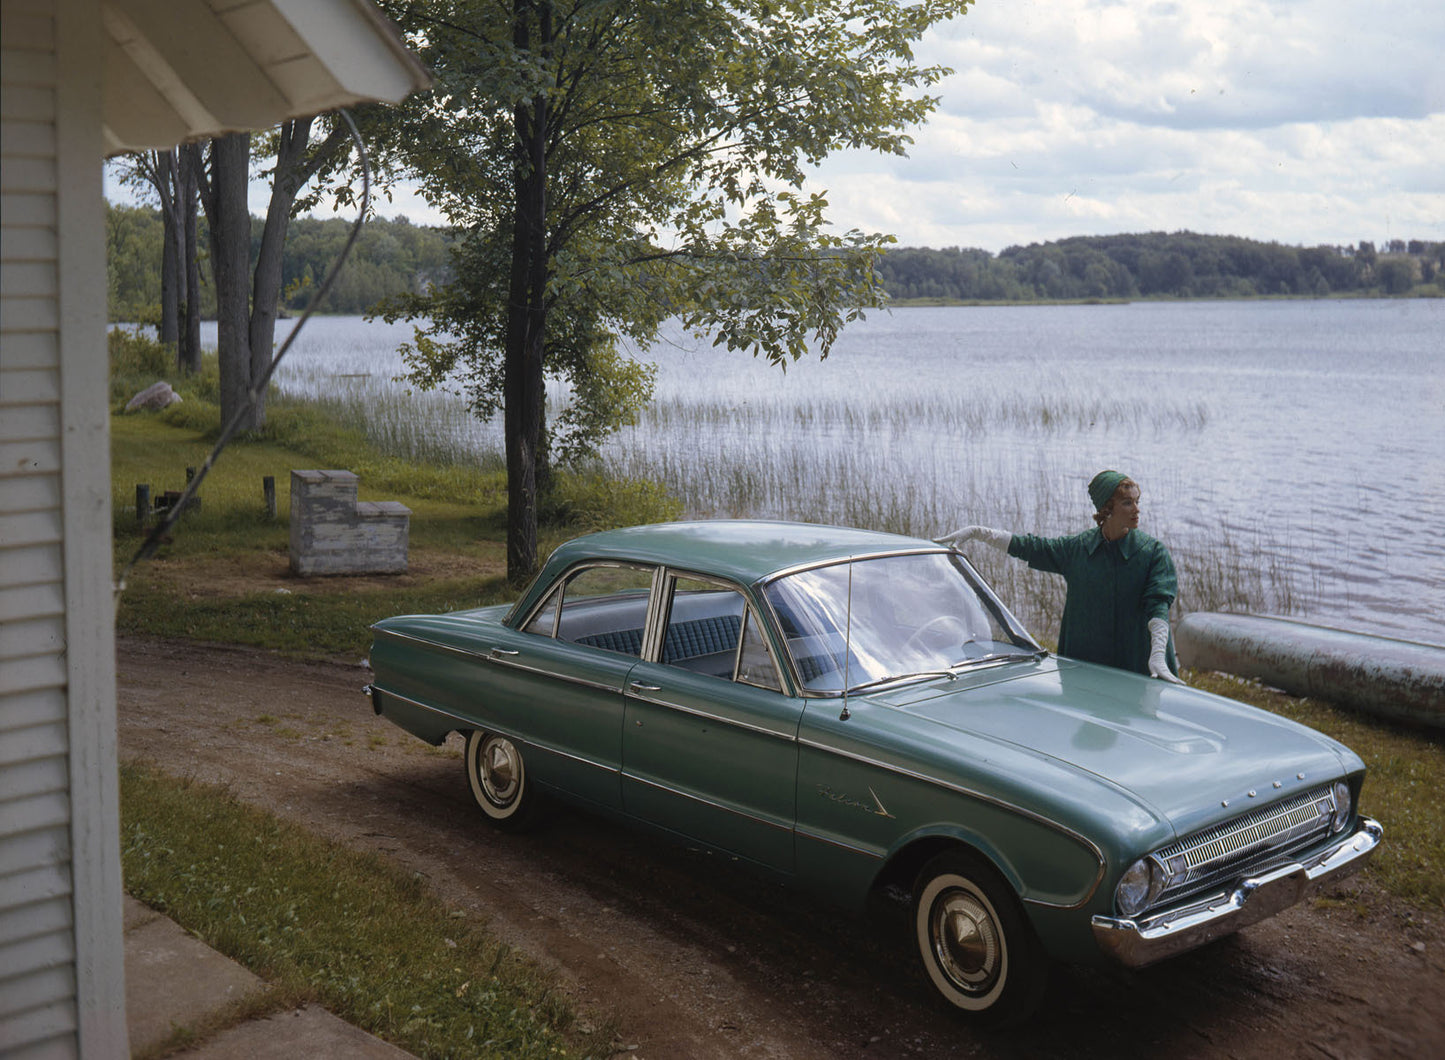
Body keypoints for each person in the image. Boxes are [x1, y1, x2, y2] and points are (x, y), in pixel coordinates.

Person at [939, 470, 1184, 683]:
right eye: (1128, 503)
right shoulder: (1078, 549)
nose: (1137, 510)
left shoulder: (1152, 553)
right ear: (1107, 509)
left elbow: (1158, 605)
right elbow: (1033, 547)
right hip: (1086, 666)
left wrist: (1158, 654)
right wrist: (980, 533)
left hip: (1138, 665)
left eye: (1137, 501)